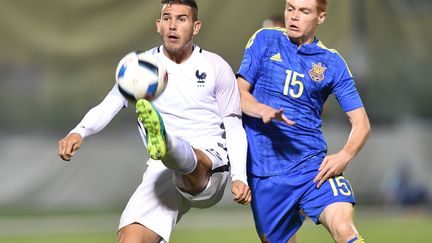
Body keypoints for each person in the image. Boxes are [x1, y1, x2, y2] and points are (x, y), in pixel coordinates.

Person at [58, 0, 251, 242]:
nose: (173, 25)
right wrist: (79, 131)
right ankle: (165, 144)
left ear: (196, 27)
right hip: (161, 169)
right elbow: (110, 104)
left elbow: (233, 127)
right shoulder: (141, 68)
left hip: (210, 163)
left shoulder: (216, 66)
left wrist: (239, 177)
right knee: (130, 239)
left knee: (188, 161)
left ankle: (166, 142)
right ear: (158, 25)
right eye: (167, 18)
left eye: (182, 19)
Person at [236, 0, 371, 242]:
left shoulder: (332, 63)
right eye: (290, 8)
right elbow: (238, 92)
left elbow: (361, 123)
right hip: (264, 174)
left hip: (312, 168)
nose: (294, 17)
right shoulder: (265, 39)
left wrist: (345, 155)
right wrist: (261, 109)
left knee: (344, 229)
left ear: (321, 17)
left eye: (304, 11)